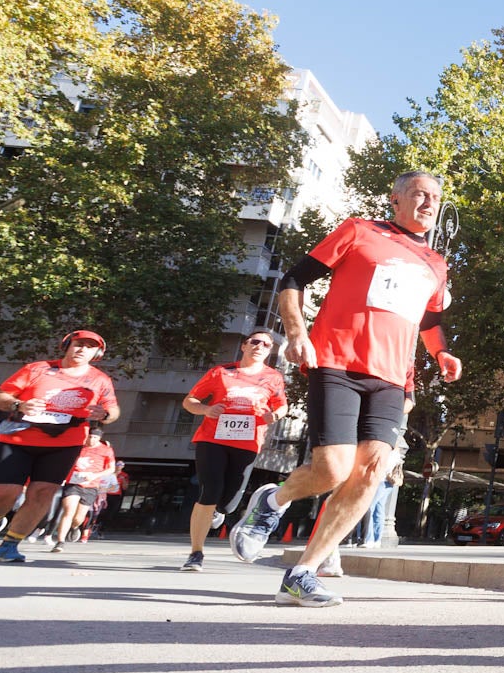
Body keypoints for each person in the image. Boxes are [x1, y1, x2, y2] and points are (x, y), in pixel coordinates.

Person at [229, 171, 461, 606]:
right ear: (395, 200)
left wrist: (441, 354)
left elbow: (429, 321)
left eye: (435, 198)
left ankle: (303, 572)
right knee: (332, 471)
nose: (428, 203)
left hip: (393, 377)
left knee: (372, 471)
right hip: (336, 361)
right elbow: (294, 280)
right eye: (418, 195)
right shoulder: (360, 231)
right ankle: (272, 500)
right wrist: (297, 333)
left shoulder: (436, 264)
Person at [0, 331, 120, 562]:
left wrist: (104, 414)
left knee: (43, 493)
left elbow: (113, 410)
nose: (82, 349)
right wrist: (19, 404)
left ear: (97, 353)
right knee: (2, 492)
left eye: (89, 347)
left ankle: (10, 545)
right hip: (18, 438)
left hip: (65, 443)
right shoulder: (36, 369)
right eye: (78, 344)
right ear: (66, 345)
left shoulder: (100, 380)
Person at [179, 329, 288, 572]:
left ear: (270, 351)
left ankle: (218, 512)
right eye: (255, 342)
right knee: (209, 491)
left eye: (266, 345)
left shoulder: (273, 377)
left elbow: (282, 406)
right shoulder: (221, 372)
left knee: (228, 503)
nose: (259, 346)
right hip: (212, 439)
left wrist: (274, 415)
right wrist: (206, 410)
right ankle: (196, 553)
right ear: (244, 345)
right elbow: (190, 401)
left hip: (247, 443)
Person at [51, 426, 116, 552]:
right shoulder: (78, 447)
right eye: (90, 437)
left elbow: (111, 468)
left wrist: (94, 475)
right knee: (68, 511)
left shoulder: (106, 450)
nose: (91, 440)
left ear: (99, 438)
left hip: (91, 486)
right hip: (73, 483)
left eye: (95, 437)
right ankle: (60, 542)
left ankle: (75, 527)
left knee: (78, 518)